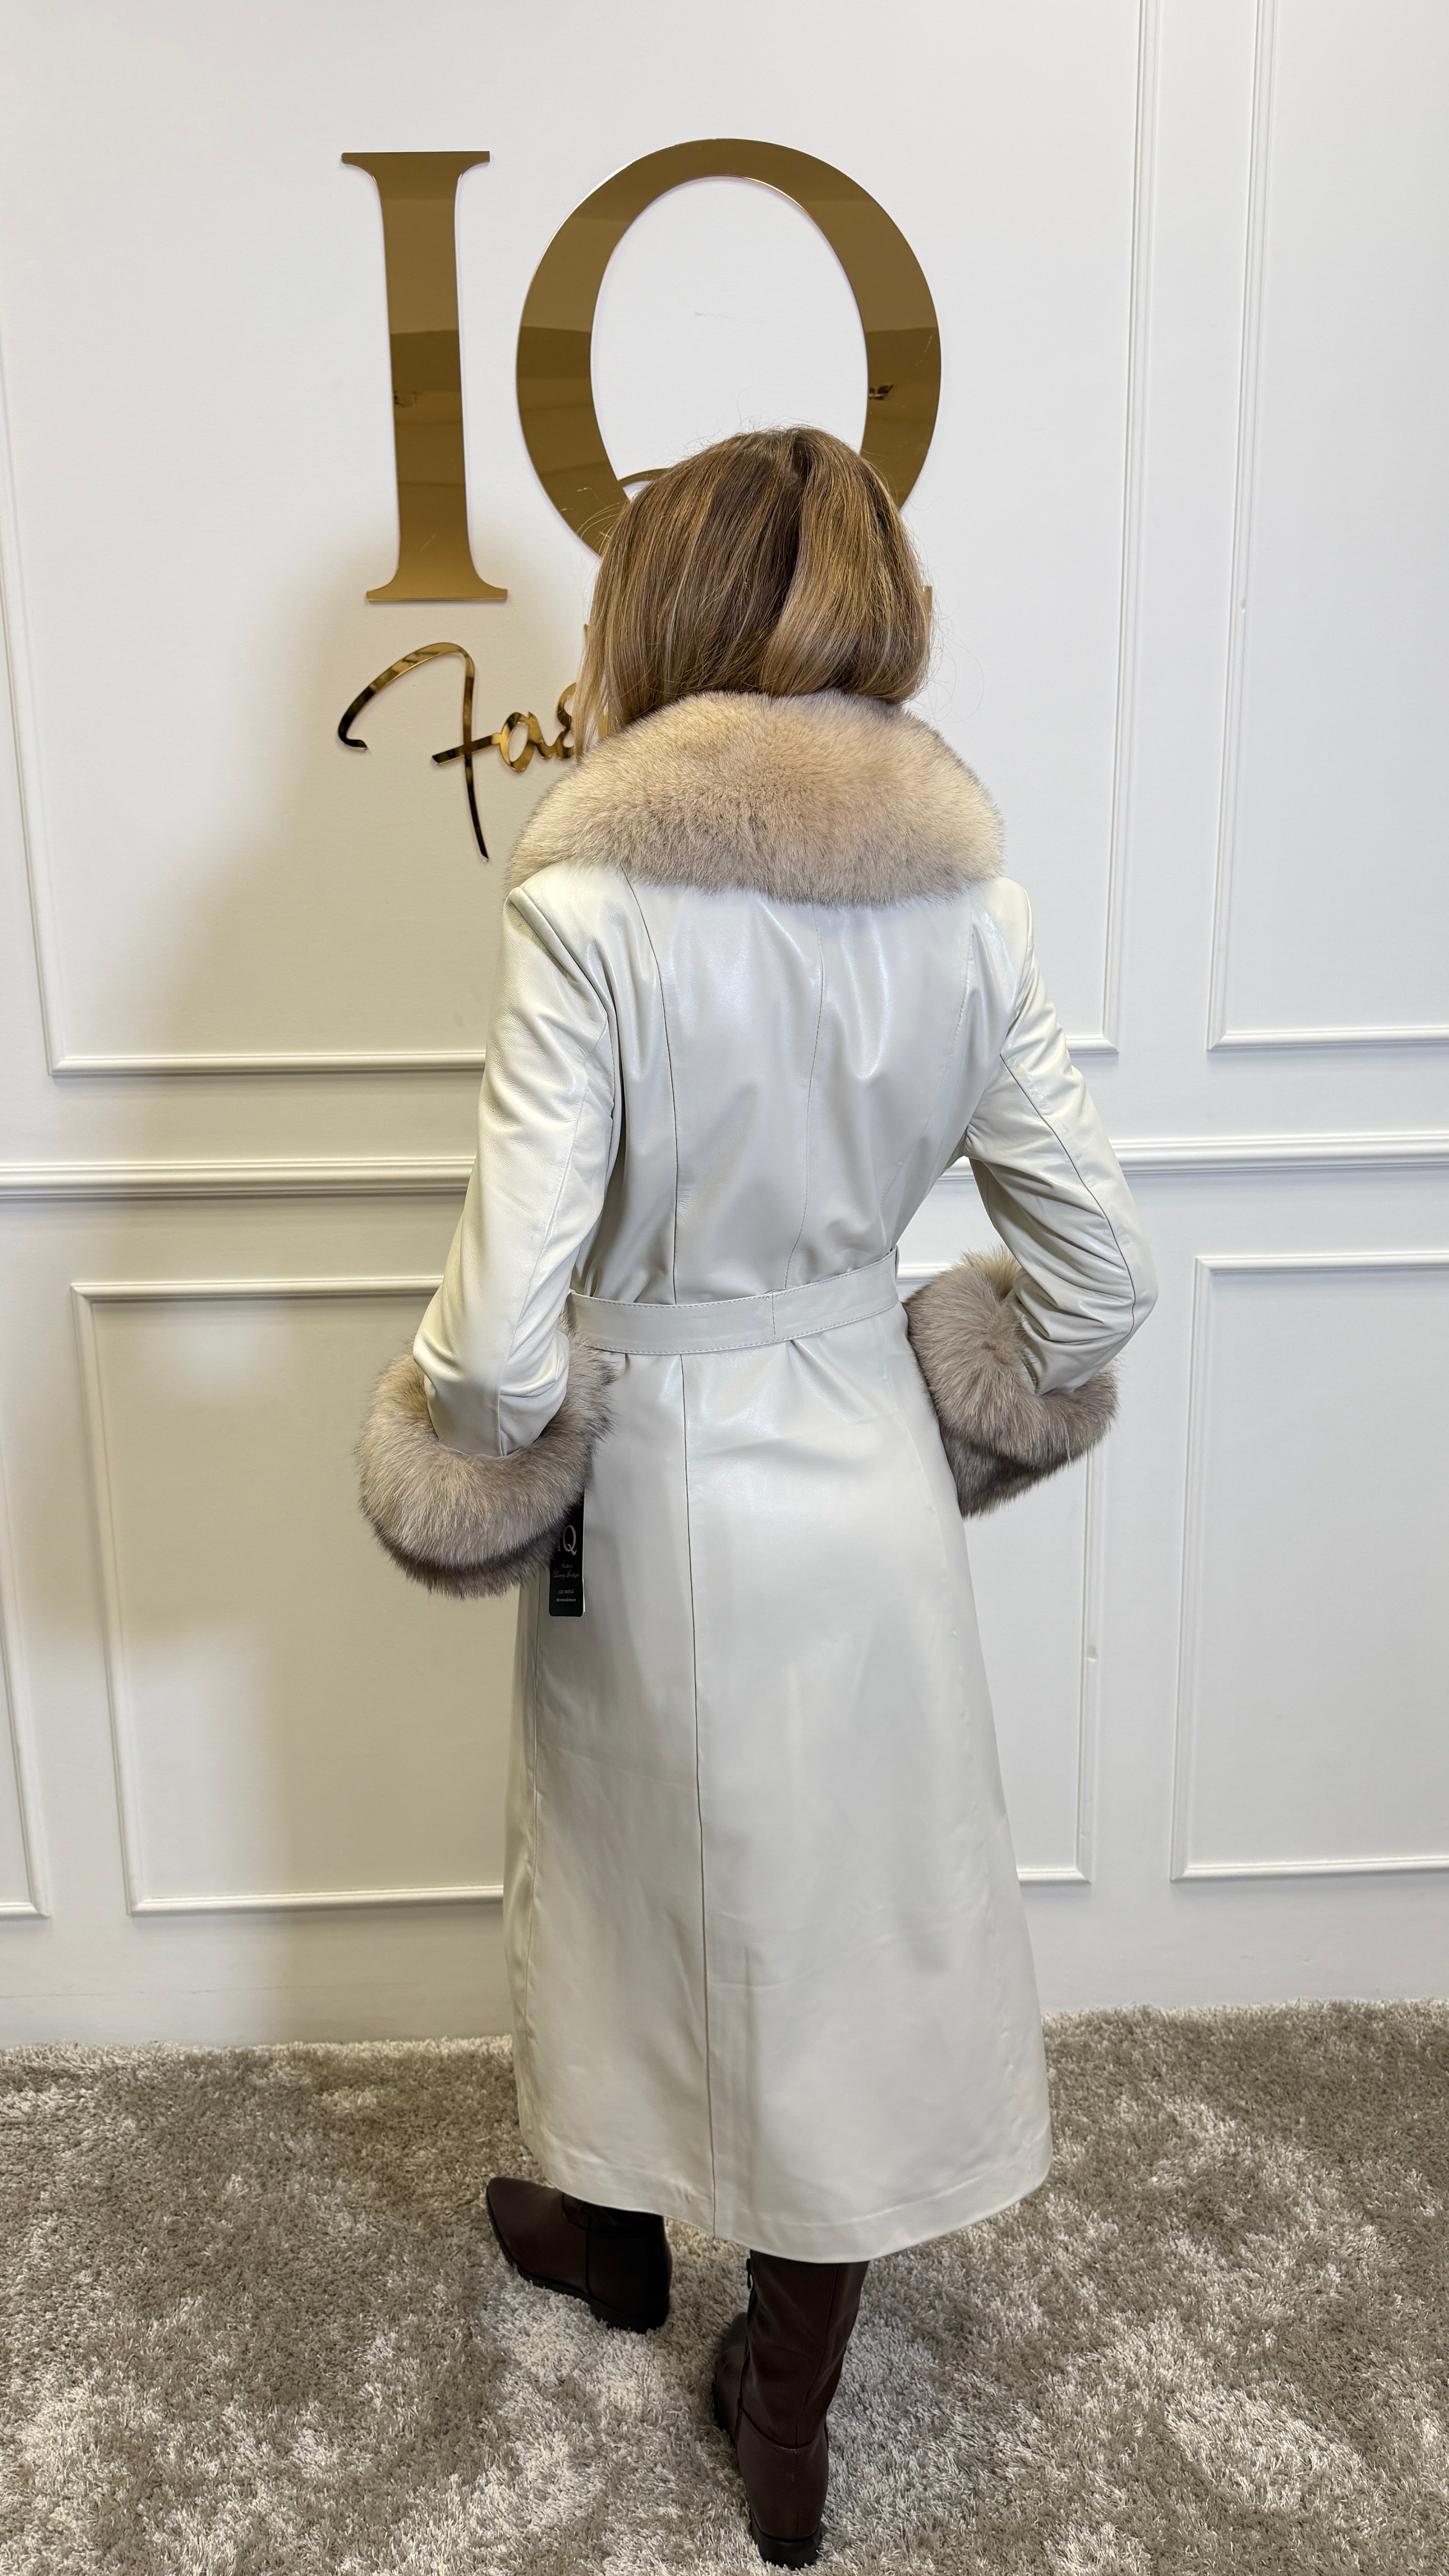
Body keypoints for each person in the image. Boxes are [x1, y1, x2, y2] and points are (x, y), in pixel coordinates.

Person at [357, 426, 1156, 2568]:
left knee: (626, 1858)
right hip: (864, 1462)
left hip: (656, 1476)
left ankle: (614, 2235)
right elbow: (1099, 1279)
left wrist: (454, 1434)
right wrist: (957, 1369)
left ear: (659, 607)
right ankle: (782, 2387)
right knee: (845, 1920)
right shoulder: (963, 907)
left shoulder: (592, 900)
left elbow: (499, 1347)